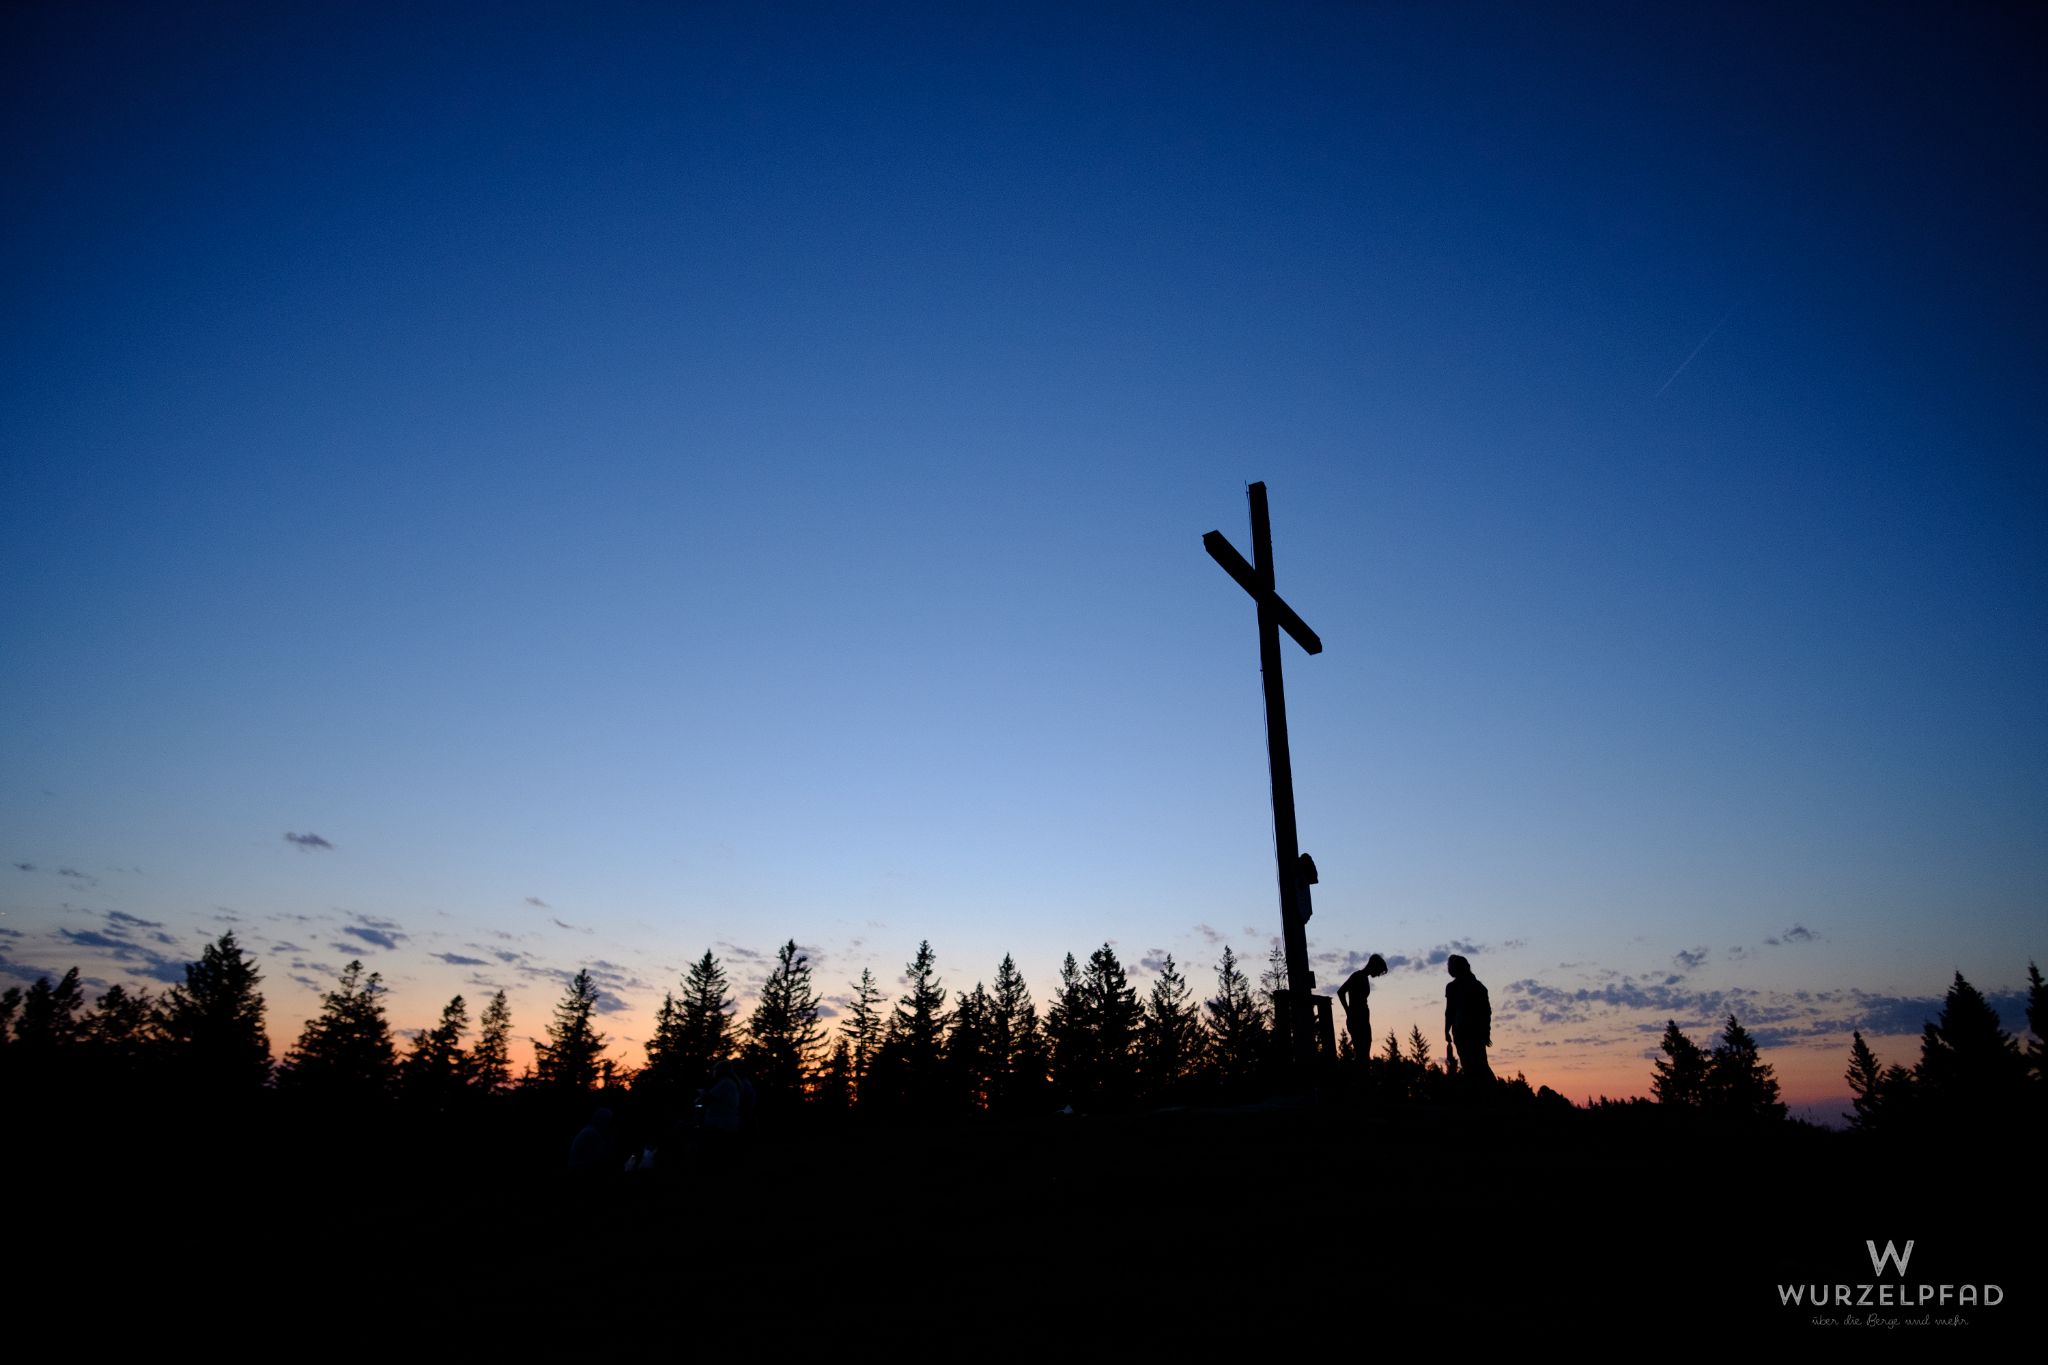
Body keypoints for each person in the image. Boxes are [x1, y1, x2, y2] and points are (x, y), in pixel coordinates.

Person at [1444, 954, 1493, 1083]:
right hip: (1477, 1033)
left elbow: (1449, 1011)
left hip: (1462, 1032)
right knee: (1481, 1065)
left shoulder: (1452, 987)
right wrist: (1486, 1033)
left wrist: (1446, 1030)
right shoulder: (1479, 987)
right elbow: (1487, 1012)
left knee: (1470, 1066)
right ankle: (1489, 1095)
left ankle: (1482, 1096)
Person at [1336, 953, 1388, 1060]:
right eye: (1379, 971)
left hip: (1363, 1020)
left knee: (1364, 1054)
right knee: (1361, 1054)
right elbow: (1341, 992)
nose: (1378, 974)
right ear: (1374, 966)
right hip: (1357, 1021)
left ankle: (1362, 1074)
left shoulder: (1363, 977)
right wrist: (1348, 1011)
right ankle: (1360, 1075)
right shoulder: (1357, 976)